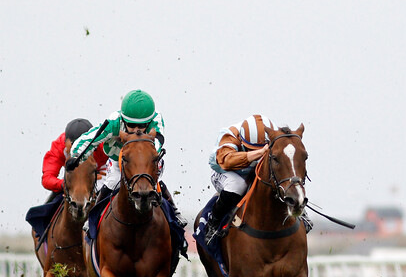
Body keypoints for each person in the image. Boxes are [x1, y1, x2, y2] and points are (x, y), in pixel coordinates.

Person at [66, 90, 187, 229]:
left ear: (149, 121)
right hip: (120, 159)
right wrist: (76, 156)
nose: (136, 130)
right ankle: (93, 217)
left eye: (142, 126)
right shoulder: (113, 122)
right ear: (123, 120)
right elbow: (89, 139)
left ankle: (175, 212)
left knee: (153, 180)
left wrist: (146, 158)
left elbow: (158, 142)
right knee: (112, 182)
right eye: (131, 125)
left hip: (147, 159)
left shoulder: (157, 119)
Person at [203, 114, 313, 244]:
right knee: (238, 185)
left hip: (252, 170)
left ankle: (299, 208)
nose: (258, 154)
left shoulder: (273, 133)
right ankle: (214, 223)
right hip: (226, 170)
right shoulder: (229, 135)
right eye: (251, 148)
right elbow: (227, 161)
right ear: (242, 141)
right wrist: (259, 153)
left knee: (275, 179)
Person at [42, 118, 108, 202]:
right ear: (65, 142)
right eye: (74, 145)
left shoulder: (103, 144)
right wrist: (64, 184)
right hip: (72, 178)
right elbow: (47, 178)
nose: (78, 149)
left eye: (84, 145)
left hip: (101, 174)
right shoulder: (58, 147)